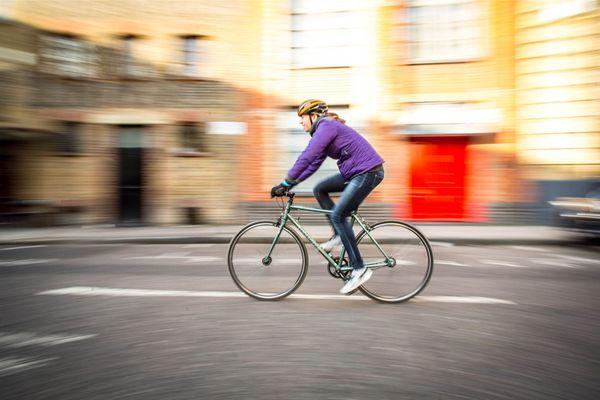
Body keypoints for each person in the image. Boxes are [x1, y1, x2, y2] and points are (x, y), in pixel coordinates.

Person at [271, 99, 385, 294]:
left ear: (314, 116)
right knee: (320, 189)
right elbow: (313, 164)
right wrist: (292, 184)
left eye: (302, 118)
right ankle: (339, 236)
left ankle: (359, 269)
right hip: (357, 172)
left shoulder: (326, 126)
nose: (301, 122)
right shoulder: (324, 131)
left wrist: (286, 181)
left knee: (338, 215)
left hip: (368, 172)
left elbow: (307, 155)